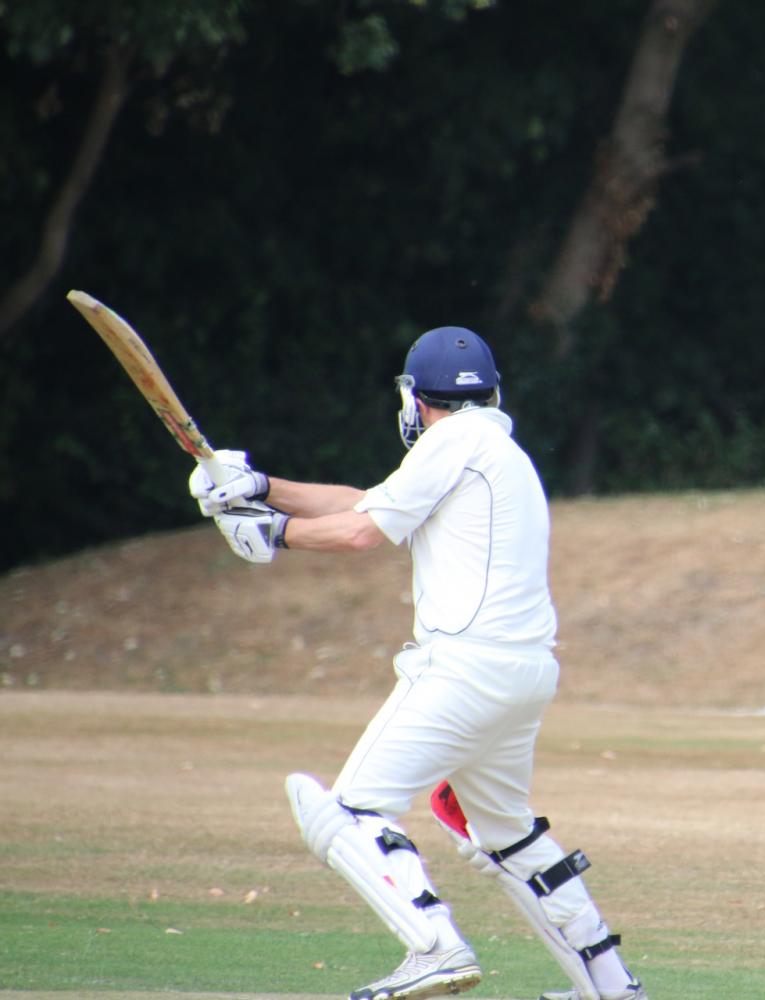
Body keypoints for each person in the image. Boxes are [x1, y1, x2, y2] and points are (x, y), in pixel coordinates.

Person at [189, 326, 646, 1000]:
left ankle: (435, 946)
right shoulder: (495, 447)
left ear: (413, 400)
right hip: (523, 675)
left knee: (345, 812)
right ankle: (610, 988)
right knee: (507, 836)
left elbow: (359, 530)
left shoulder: (451, 442)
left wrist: (272, 534)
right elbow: (366, 501)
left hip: (463, 670)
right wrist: (258, 484)